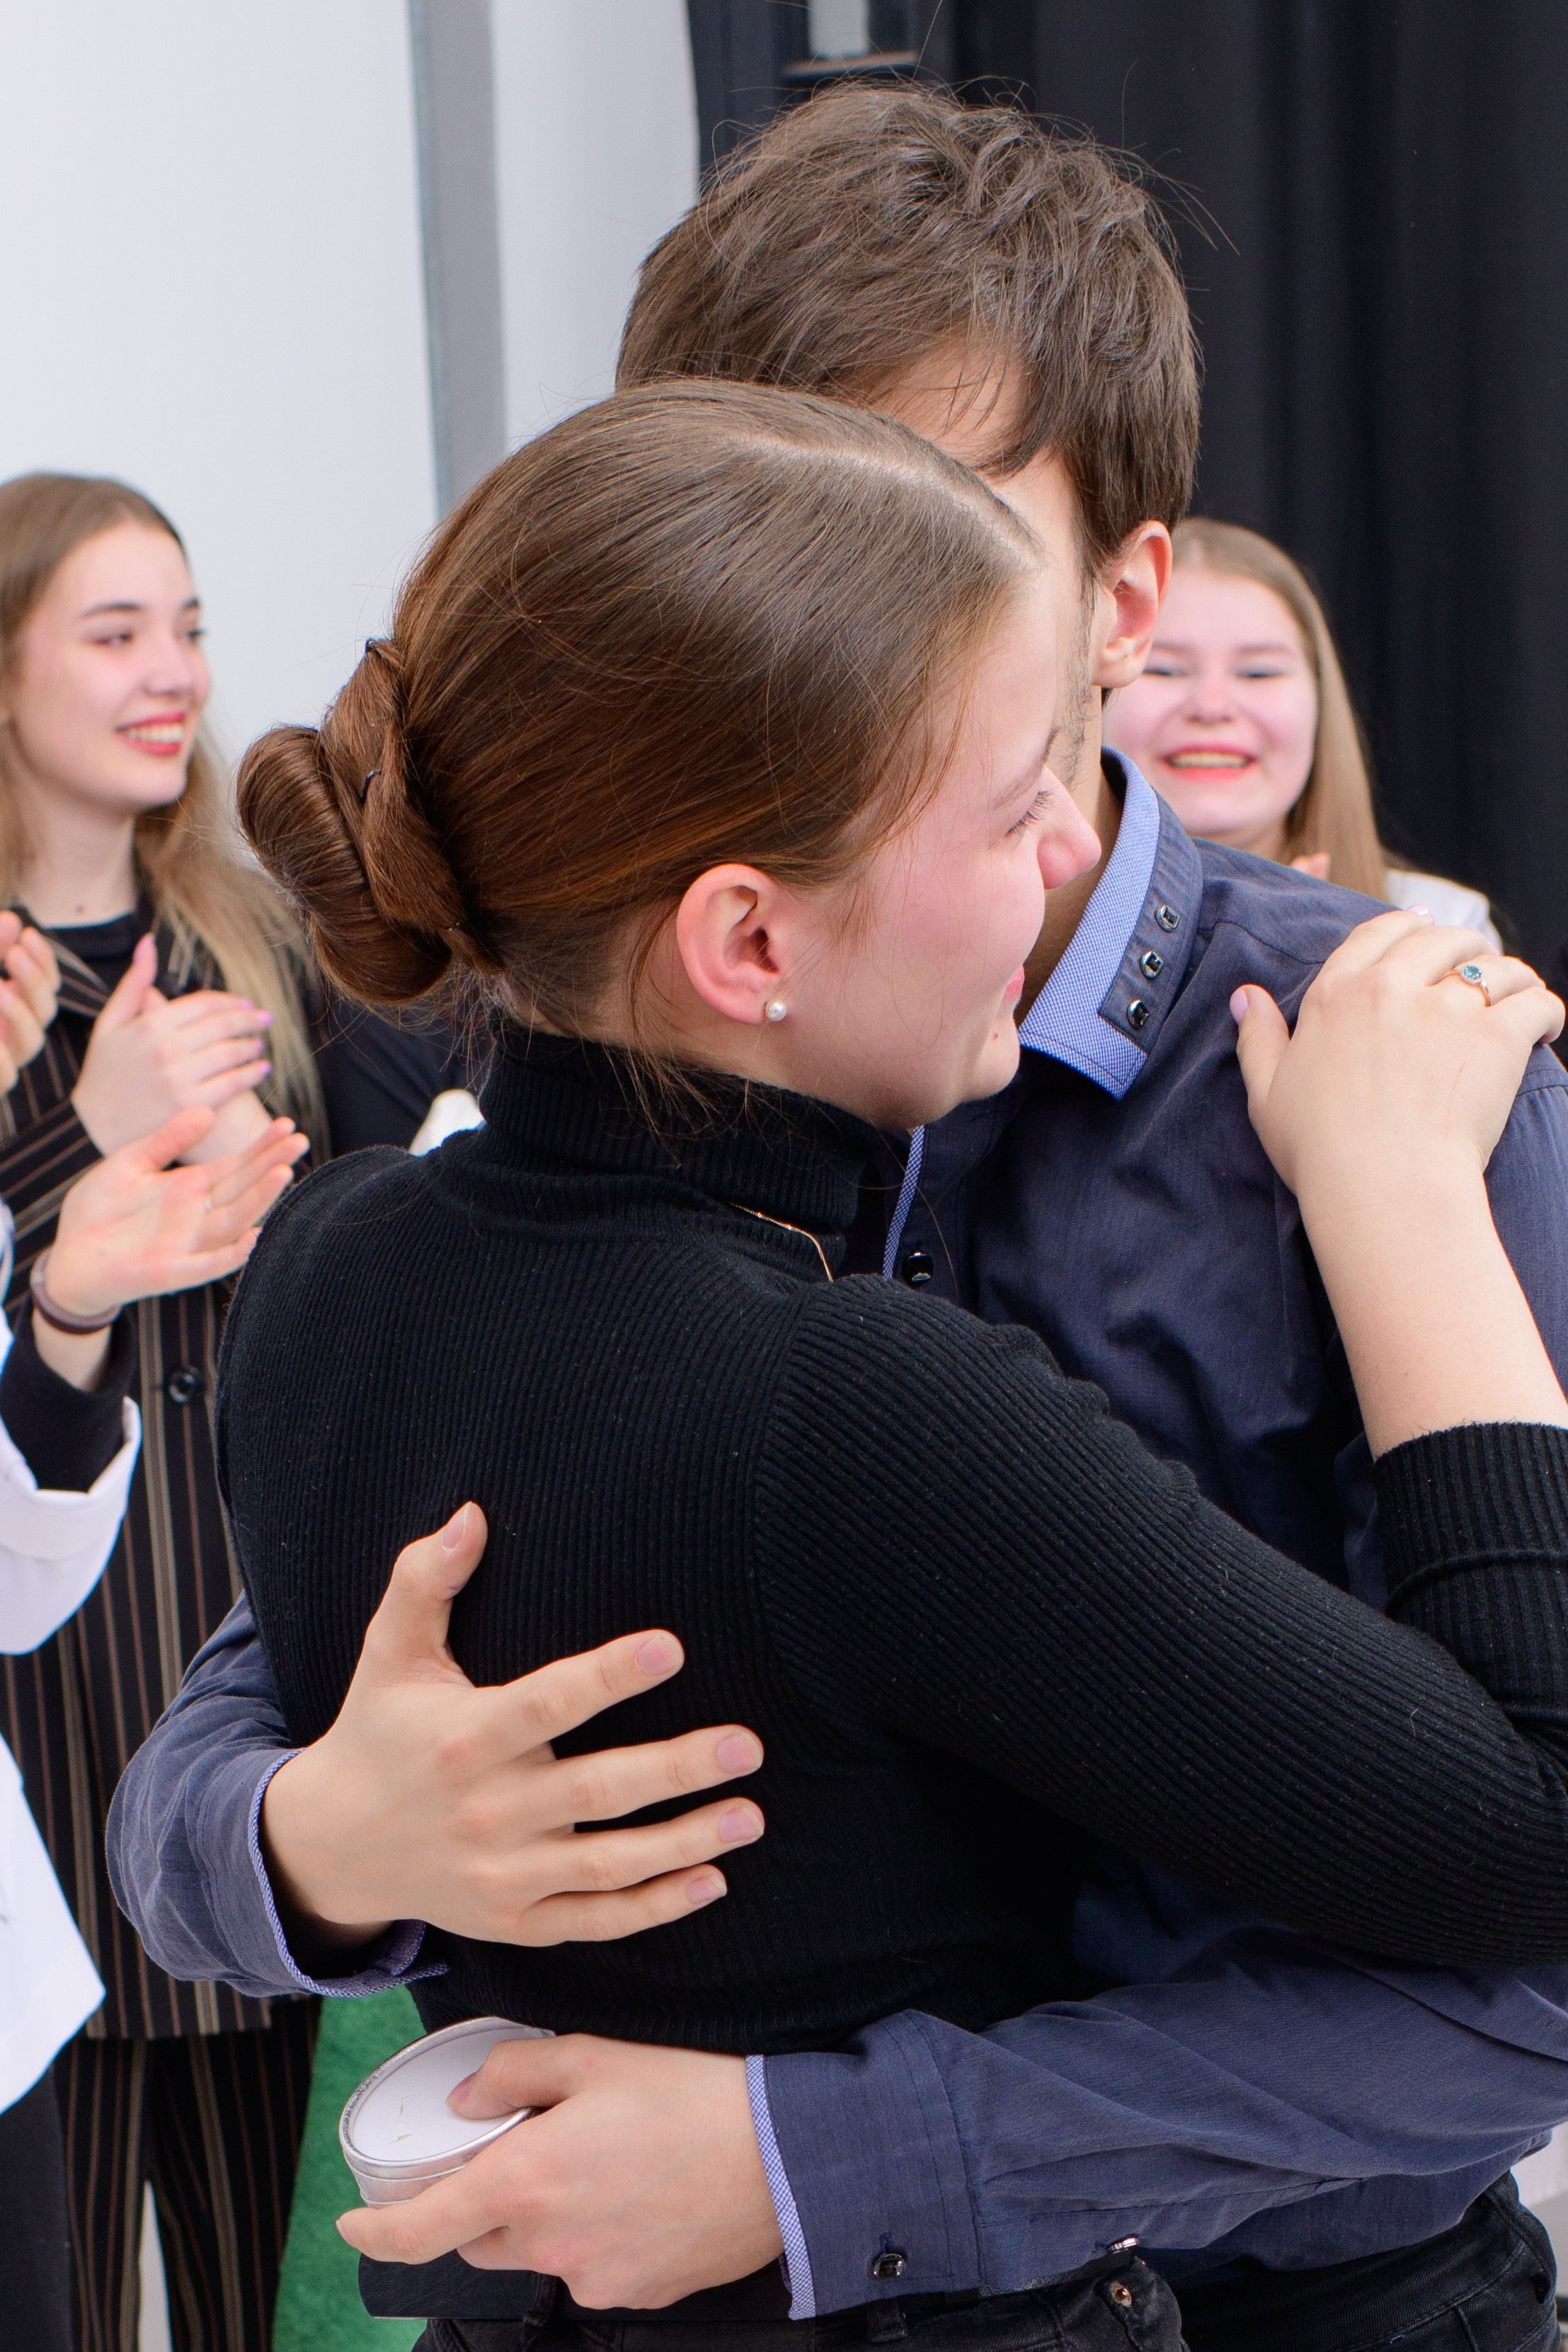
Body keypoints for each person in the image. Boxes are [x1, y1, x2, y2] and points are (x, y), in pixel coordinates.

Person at [111, 87, 1568, 2352]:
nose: (803, 597)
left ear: (1126, 593)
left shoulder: (1400, 1074)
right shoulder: (562, 1105)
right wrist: (317, 1843)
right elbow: (250, 1731)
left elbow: (1533, 1950)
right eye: (739, 515)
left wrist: (834, 2157)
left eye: (917, 522)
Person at [0, 467, 437, 2352]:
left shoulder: (260, 945)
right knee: (65, 2286)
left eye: (182, 624)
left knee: (299, 2280)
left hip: (251, 1663)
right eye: (113, 633)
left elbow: (384, 1235)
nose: (170, 671)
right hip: (42, 1702)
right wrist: (61, 1133)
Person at [0, 1075, 303, 2352]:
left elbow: (17, 1565)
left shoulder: (241, 973)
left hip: (196, 1774)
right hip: (75, 1771)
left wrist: (69, 1310)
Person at [1104, 515, 1504, 938]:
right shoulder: (1030, 932)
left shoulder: (1443, 928)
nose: (1211, 706)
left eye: (1259, 673)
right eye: (1164, 671)